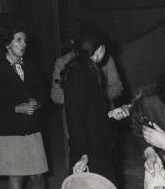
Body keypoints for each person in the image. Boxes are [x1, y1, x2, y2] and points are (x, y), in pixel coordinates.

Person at [62, 23, 128, 189]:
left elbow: (88, 114)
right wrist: (83, 156)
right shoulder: (82, 74)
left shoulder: (85, 70)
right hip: (91, 151)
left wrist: (108, 115)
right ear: (99, 50)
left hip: (95, 147)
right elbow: (76, 120)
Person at [0, 20, 48, 189]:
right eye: (18, 40)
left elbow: (43, 95)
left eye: (25, 40)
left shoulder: (31, 66)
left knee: (38, 174)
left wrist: (37, 103)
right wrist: (16, 108)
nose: (24, 44)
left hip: (32, 129)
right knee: (16, 176)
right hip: (9, 130)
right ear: (7, 44)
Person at [51, 20, 124, 166]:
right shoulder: (64, 63)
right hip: (76, 120)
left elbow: (117, 86)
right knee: (79, 161)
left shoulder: (106, 59)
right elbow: (55, 94)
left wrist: (99, 102)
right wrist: (83, 100)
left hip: (103, 118)